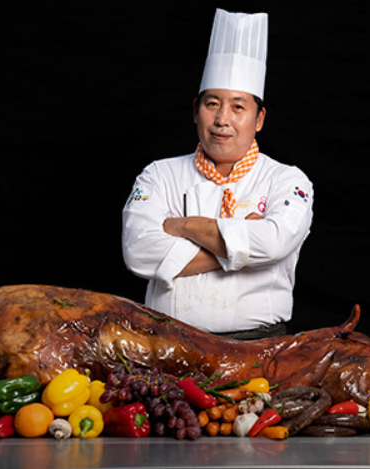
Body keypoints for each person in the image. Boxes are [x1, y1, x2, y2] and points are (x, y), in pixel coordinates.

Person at [122, 9, 313, 339]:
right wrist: (241, 248)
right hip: (169, 343)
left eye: (238, 107)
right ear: (195, 111)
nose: (222, 119)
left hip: (260, 345)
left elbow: (274, 242)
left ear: (259, 119)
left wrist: (186, 226)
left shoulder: (288, 180)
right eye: (212, 104)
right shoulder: (159, 175)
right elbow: (139, 252)